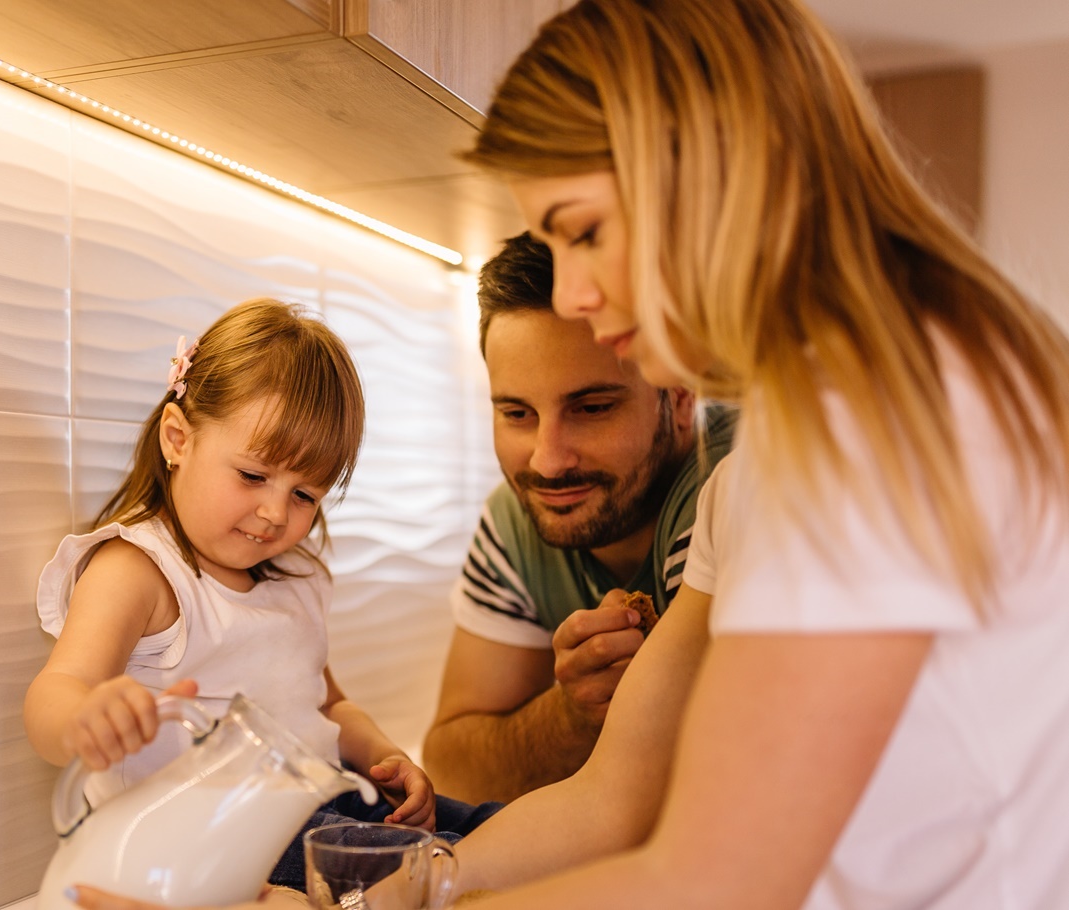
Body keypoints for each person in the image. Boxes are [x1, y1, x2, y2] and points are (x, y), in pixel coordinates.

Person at [68, 0, 1069, 907]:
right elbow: (617, 802)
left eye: (584, 232)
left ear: (705, 175)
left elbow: (718, 878)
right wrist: (412, 886)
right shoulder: (769, 459)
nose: (578, 294)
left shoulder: (876, 416)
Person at [23, 298, 500, 892]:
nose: (275, 513)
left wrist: (383, 755)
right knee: (446, 871)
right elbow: (54, 691)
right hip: (206, 839)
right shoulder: (142, 571)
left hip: (314, 808)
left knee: (497, 833)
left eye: (306, 495)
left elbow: (328, 707)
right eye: (252, 476)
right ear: (178, 438)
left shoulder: (295, 581)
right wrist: (82, 719)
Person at [424, 232, 735, 804]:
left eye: (592, 409)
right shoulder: (515, 520)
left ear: (683, 395)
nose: (547, 460)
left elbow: (715, 793)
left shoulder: (736, 485)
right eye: (517, 413)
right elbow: (452, 769)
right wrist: (570, 716)